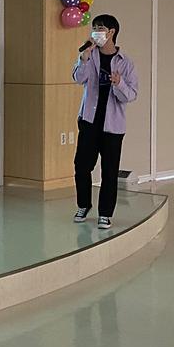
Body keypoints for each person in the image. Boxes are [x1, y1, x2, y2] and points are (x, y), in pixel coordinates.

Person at [72, 14, 138, 230]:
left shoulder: (126, 63)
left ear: (111, 32)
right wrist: (83, 58)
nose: (95, 32)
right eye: (94, 27)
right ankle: (83, 205)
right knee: (82, 166)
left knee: (109, 171)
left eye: (100, 28)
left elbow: (131, 95)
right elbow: (78, 78)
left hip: (113, 126)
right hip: (89, 121)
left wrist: (119, 83)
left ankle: (105, 214)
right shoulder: (90, 55)